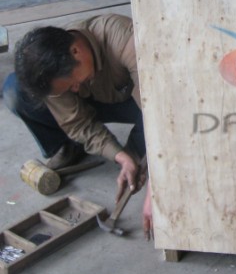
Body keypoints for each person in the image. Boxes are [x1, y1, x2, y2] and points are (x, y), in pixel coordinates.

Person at [2, 13, 145, 201]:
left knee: (150, 125)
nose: (76, 89)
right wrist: (120, 156)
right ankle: (68, 146)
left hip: (137, 102)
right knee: (16, 90)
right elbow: (78, 124)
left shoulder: (125, 39)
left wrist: (135, 155)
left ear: (76, 51)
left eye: (73, 84)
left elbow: (160, 111)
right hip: (100, 101)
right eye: (69, 88)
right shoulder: (52, 73)